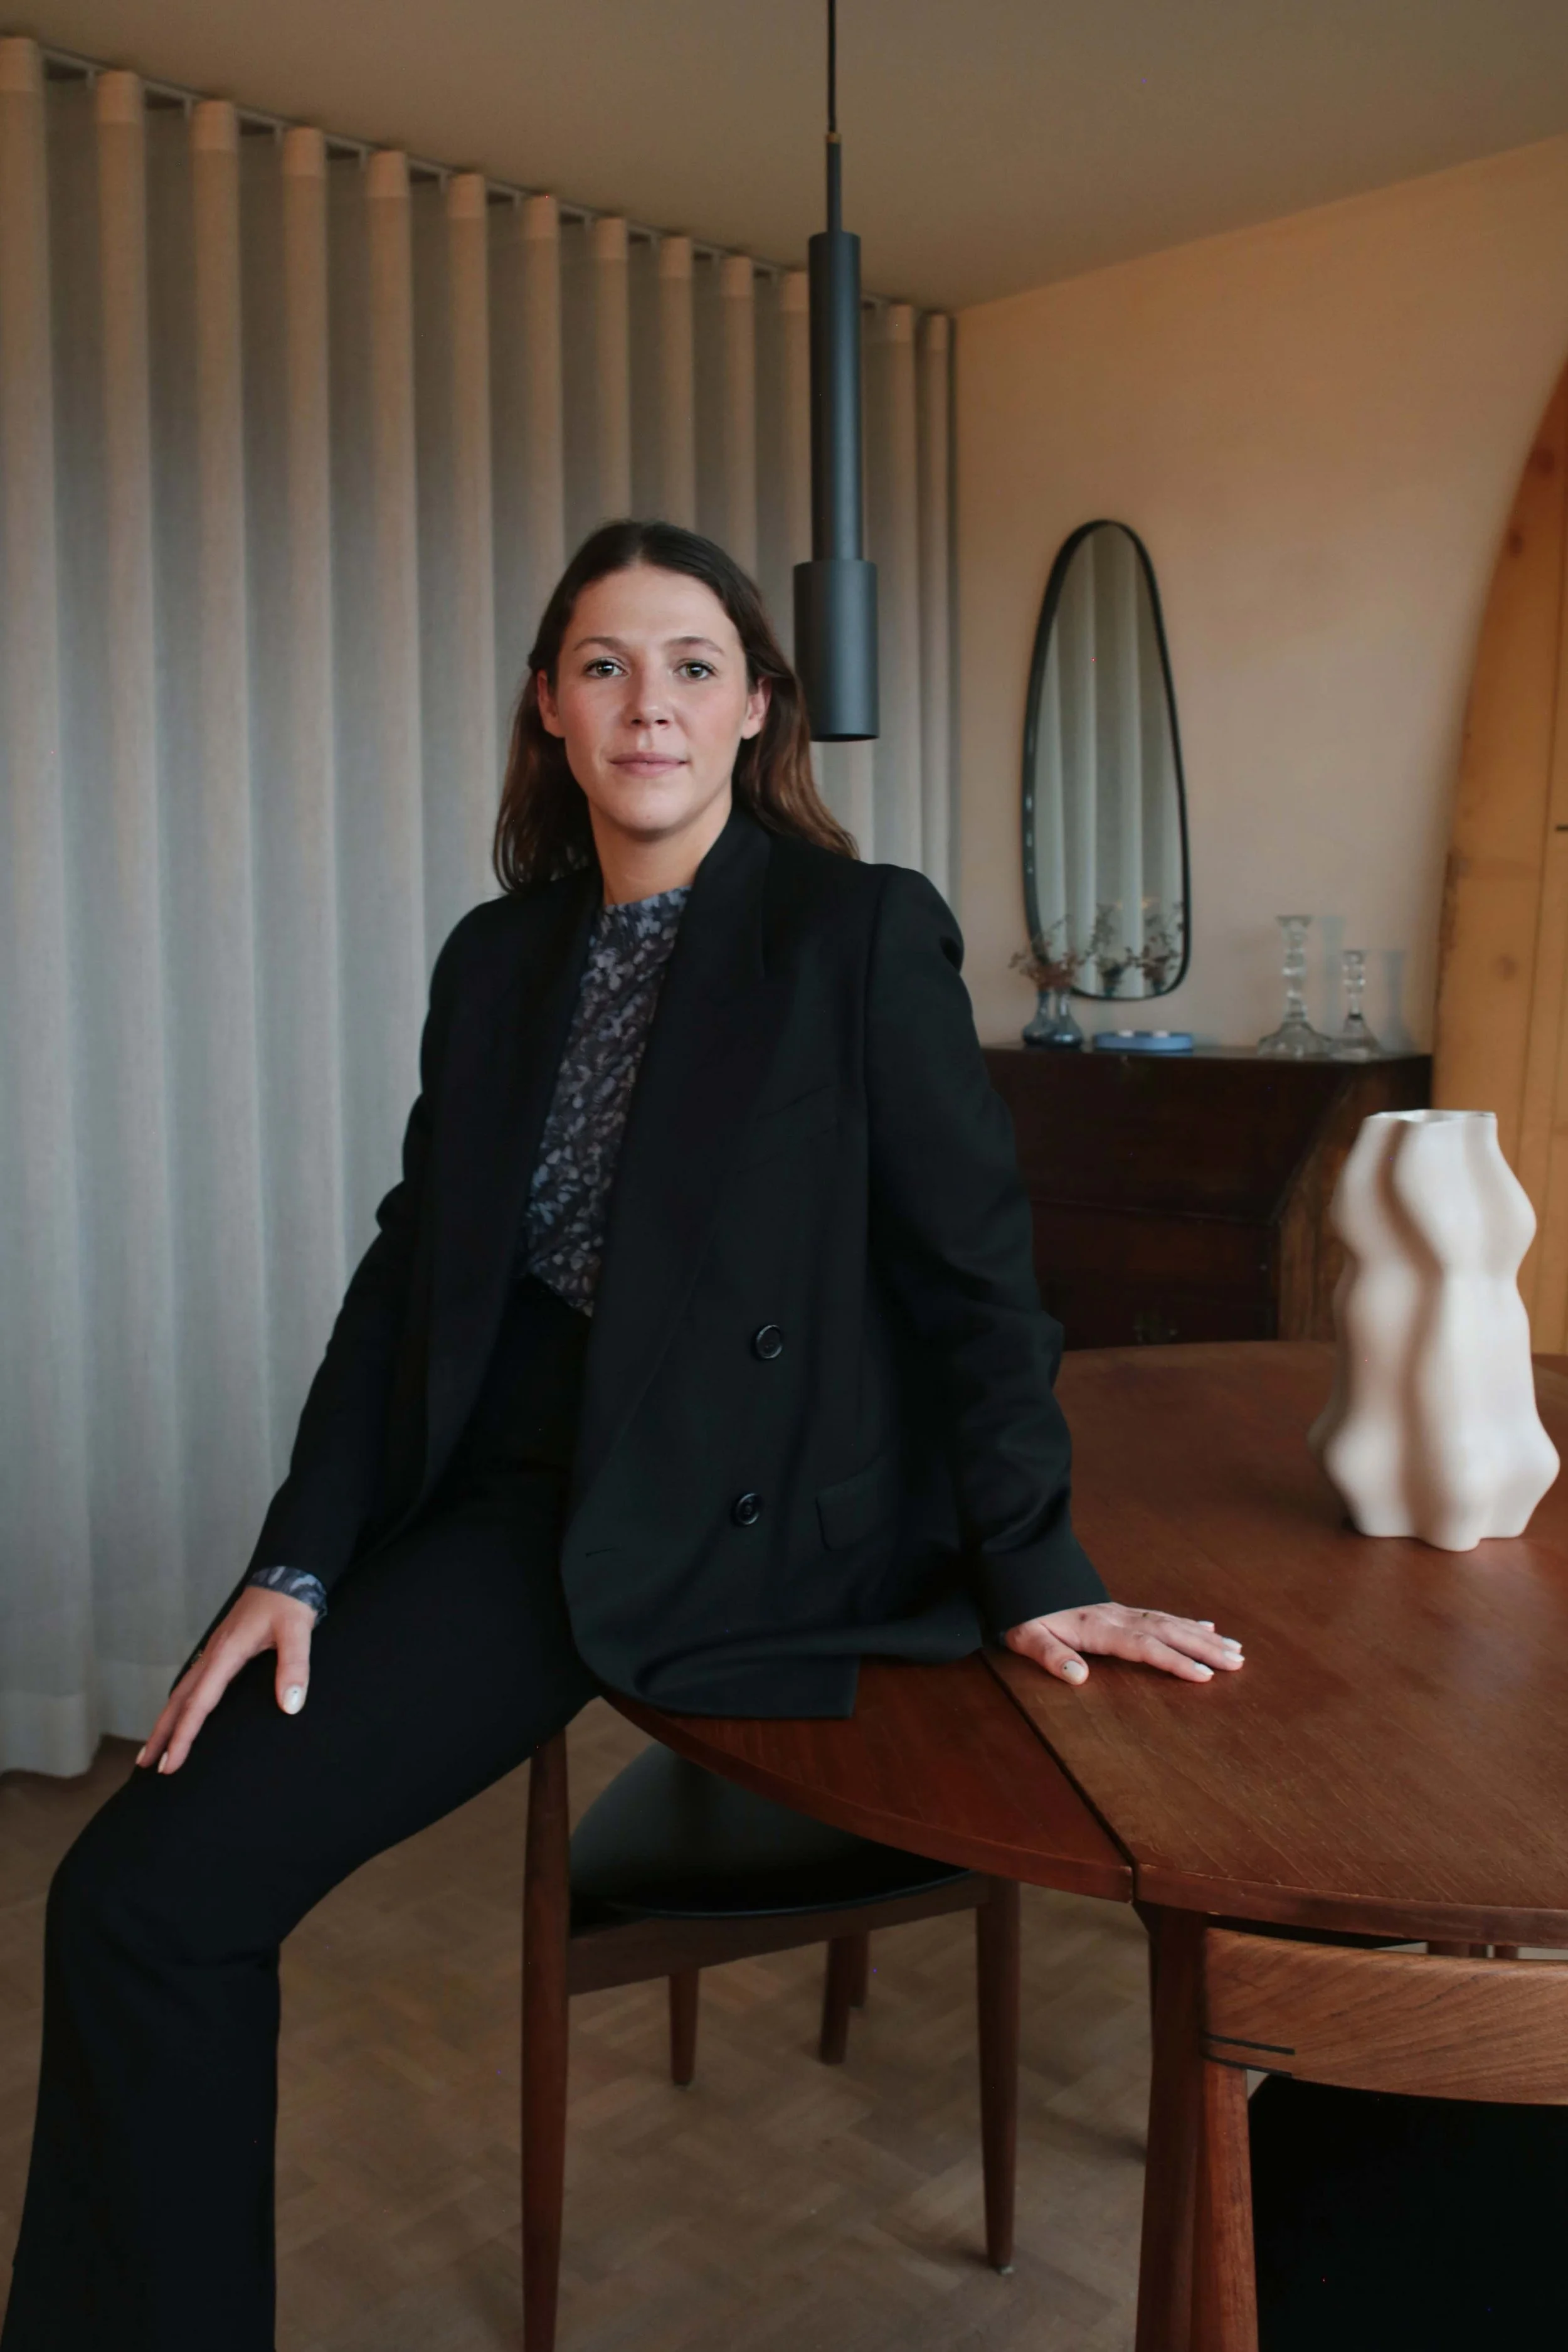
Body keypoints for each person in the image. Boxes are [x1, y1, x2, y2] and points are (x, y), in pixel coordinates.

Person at [0, 519, 1241, 2349]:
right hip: (510, 1496)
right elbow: (411, 1267)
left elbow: (974, 1280)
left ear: (753, 709)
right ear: (549, 711)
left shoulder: (857, 933)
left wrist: (1037, 1563)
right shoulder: (496, 958)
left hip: (723, 1507)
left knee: (139, 1894)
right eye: (601, 664)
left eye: (686, 663)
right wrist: (297, 1554)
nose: (643, 700)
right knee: (139, 1892)